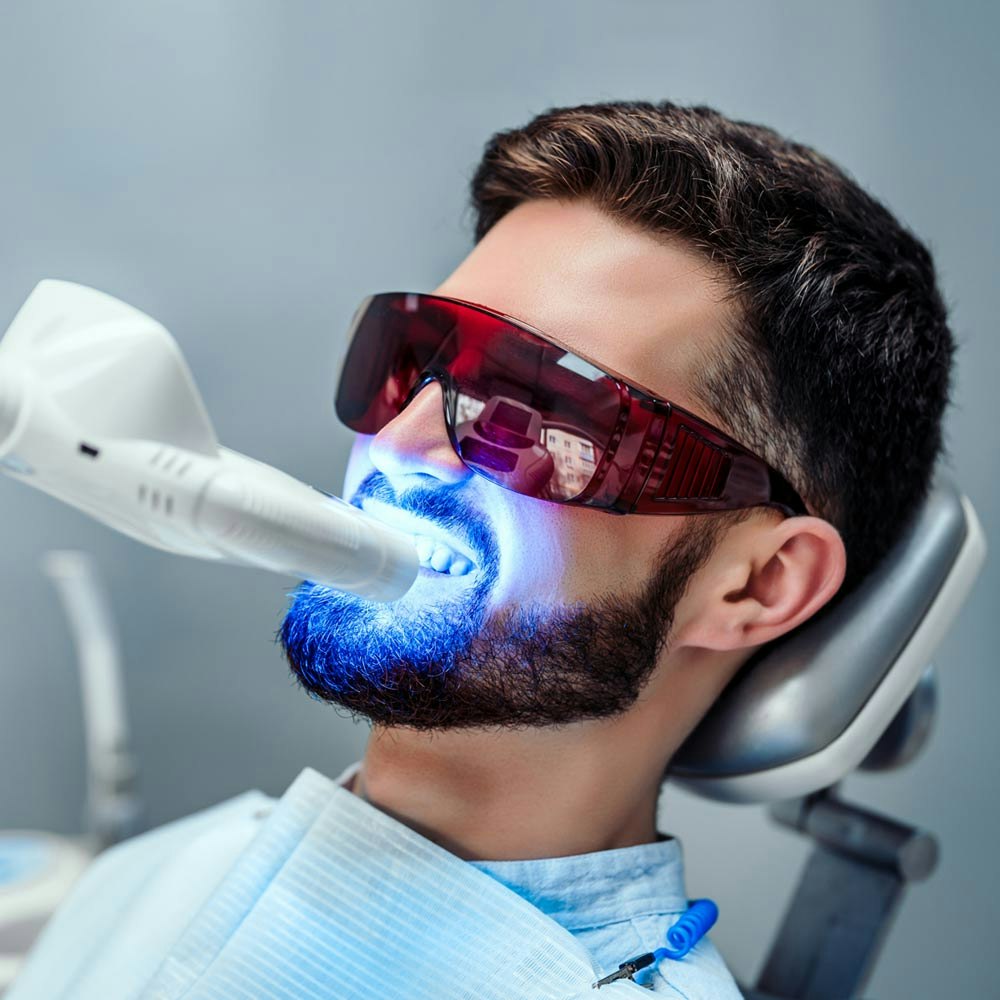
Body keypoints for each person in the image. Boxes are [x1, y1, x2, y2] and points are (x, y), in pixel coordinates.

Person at [10, 101, 954, 999]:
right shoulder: (164, 871)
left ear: (756, 583)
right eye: (415, 362)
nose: (405, 445)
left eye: (543, 411)